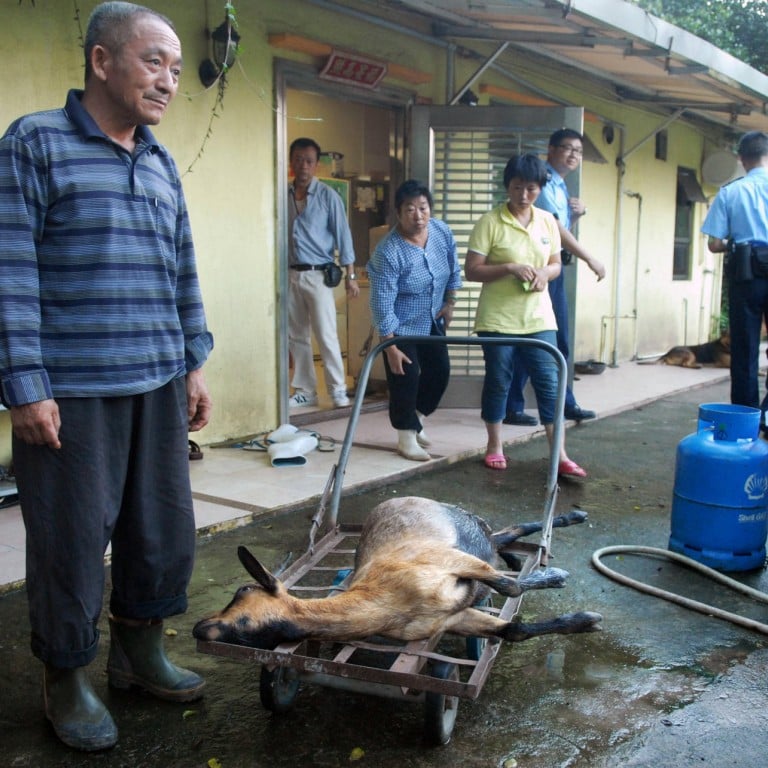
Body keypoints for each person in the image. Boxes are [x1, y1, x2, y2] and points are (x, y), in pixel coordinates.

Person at [0, 2, 214, 751]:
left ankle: (139, 647)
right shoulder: (35, 144)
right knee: (69, 541)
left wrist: (192, 359)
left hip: (156, 378)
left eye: (177, 70)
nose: (168, 81)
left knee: (161, 527)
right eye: (153, 61)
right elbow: (10, 269)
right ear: (101, 61)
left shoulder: (157, 162)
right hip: (75, 389)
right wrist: (23, 380)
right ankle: (66, 678)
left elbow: (181, 267)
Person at [466, 154, 586, 478]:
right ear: (507, 186)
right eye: (517, 187)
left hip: (538, 317)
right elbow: (472, 270)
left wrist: (546, 273)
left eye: (530, 188)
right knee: (499, 380)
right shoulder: (490, 221)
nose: (523, 195)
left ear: (540, 188)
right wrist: (509, 268)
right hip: (497, 319)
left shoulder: (547, 220)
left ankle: (559, 455)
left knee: (549, 383)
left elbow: (556, 263)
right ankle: (494, 446)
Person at [505, 128, 605, 427]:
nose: (574, 155)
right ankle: (540, 404)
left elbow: (555, 233)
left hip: (551, 268)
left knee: (547, 338)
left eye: (579, 150)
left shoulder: (559, 185)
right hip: (535, 271)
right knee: (543, 339)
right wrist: (590, 258)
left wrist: (577, 215)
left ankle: (556, 403)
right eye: (567, 148)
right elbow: (556, 230)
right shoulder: (543, 184)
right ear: (550, 149)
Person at [368, 180, 462, 461]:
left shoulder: (441, 231)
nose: (418, 215)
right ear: (398, 213)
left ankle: (417, 419)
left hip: (432, 319)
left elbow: (453, 264)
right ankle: (405, 437)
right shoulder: (389, 251)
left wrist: (451, 301)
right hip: (400, 327)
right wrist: (390, 344)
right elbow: (381, 299)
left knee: (440, 372)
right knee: (404, 380)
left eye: (423, 208)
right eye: (410, 209)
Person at [288, 137, 359, 409]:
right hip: (291, 273)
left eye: (308, 160)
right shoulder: (283, 195)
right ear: (291, 162)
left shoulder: (329, 197)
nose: (303, 165)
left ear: (316, 165)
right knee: (297, 336)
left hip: (318, 275)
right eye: (298, 160)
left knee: (326, 334)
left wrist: (351, 276)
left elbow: (344, 236)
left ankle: (337, 390)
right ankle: (306, 390)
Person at [701, 131, 768, 424]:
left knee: (744, 349)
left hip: (747, 274)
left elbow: (714, 243)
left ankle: (746, 420)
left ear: (741, 159)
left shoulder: (730, 191)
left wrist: (738, 243)